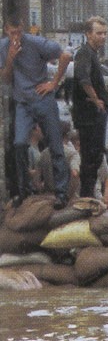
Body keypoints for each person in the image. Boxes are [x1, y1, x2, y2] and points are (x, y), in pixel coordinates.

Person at [1, 12, 72, 205]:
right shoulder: (3, 47)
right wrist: (10, 58)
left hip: (43, 99)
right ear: (6, 30)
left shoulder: (36, 43)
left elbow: (65, 55)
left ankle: (61, 192)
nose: (16, 37)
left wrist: (54, 83)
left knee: (55, 144)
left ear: (22, 28)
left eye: (19, 32)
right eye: (12, 33)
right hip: (22, 102)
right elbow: (5, 78)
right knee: (19, 144)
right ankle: (24, 190)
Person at [71, 18, 108, 201]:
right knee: (90, 158)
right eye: (99, 33)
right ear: (88, 34)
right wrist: (96, 100)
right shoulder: (84, 53)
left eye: (105, 33)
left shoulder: (92, 53)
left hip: (94, 115)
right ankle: (87, 198)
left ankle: (88, 197)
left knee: (94, 157)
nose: (103, 37)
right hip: (89, 115)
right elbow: (83, 79)